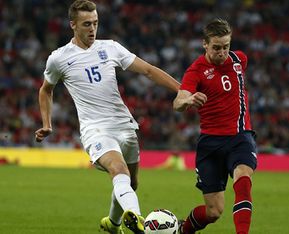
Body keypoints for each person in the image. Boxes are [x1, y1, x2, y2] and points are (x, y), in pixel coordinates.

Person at [34, 1, 180, 233]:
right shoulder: (59, 58)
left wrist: (181, 90)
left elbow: (148, 70)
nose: (92, 29)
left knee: (131, 183)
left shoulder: (110, 48)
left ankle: (113, 224)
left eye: (95, 23)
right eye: (86, 24)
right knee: (118, 169)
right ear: (73, 25)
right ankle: (138, 219)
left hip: (124, 125)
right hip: (96, 130)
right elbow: (45, 90)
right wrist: (47, 124)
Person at [173, 18, 257, 234]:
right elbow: (178, 102)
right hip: (210, 144)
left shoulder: (239, 60)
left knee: (244, 179)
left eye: (226, 47)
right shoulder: (196, 70)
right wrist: (189, 101)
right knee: (214, 211)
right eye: (216, 48)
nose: (222, 52)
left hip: (240, 137)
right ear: (205, 44)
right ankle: (184, 230)